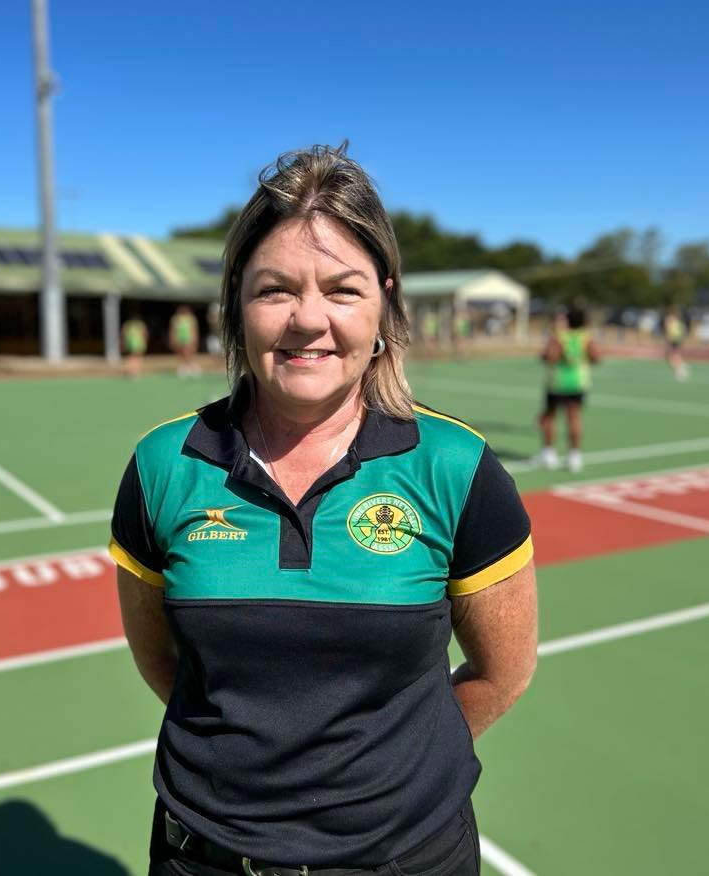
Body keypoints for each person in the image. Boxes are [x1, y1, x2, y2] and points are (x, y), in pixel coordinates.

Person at [111, 145, 537, 876]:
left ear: (384, 305)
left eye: (343, 289)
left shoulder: (456, 467)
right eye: (275, 290)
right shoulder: (162, 466)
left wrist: (390, 779)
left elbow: (504, 672)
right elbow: (165, 664)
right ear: (236, 304)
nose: (309, 320)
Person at [536, 304, 600, 473]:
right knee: (574, 418)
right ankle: (575, 457)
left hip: (558, 383)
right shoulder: (586, 337)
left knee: (550, 417)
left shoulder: (559, 336)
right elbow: (595, 357)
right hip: (579, 383)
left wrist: (546, 353)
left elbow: (550, 357)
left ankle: (549, 455)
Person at [168, 305, 200, 377]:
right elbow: (172, 330)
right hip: (179, 339)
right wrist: (172, 339)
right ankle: (185, 367)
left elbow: (194, 329)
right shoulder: (175, 319)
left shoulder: (191, 318)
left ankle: (191, 367)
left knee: (188, 352)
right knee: (181, 353)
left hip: (188, 339)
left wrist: (195, 339)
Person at [662, 305, 689, 382]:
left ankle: (679, 369)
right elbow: (682, 330)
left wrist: (668, 338)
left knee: (671, 355)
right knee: (674, 354)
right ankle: (680, 367)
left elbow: (668, 330)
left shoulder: (670, 319)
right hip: (677, 338)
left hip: (673, 338)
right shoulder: (677, 320)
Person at [121, 312, 149, 379]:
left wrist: (123, 342)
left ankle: (131, 371)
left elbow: (123, 334)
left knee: (131, 357)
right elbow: (145, 334)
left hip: (130, 343)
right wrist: (146, 341)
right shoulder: (141, 324)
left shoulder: (127, 324)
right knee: (136, 358)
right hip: (139, 342)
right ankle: (134, 372)